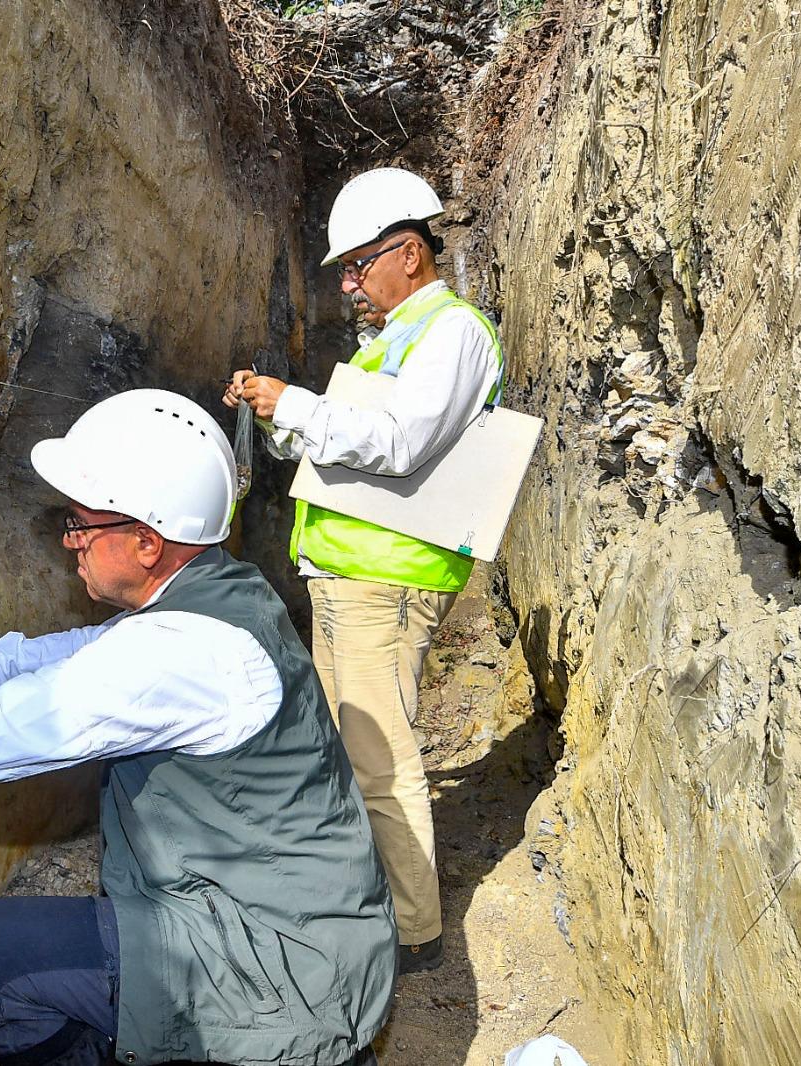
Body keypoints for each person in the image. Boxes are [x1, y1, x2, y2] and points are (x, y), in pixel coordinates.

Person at [0, 389, 395, 1066]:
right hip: (302, 936)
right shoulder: (219, 591)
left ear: (146, 543)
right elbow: (88, 653)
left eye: (82, 524)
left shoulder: (185, 654)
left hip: (287, 970)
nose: (68, 541)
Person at [224, 167, 503, 974]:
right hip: (351, 575)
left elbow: (402, 444)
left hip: (388, 579)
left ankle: (414, 932)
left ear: (408, 253)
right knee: (355, 751)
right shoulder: (391, 343)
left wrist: (298, 406)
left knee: (381, 759)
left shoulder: (451, 332)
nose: (348, 283)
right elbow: (350, 448)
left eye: (357, 264)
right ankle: (373, 896)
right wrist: (278, 420)